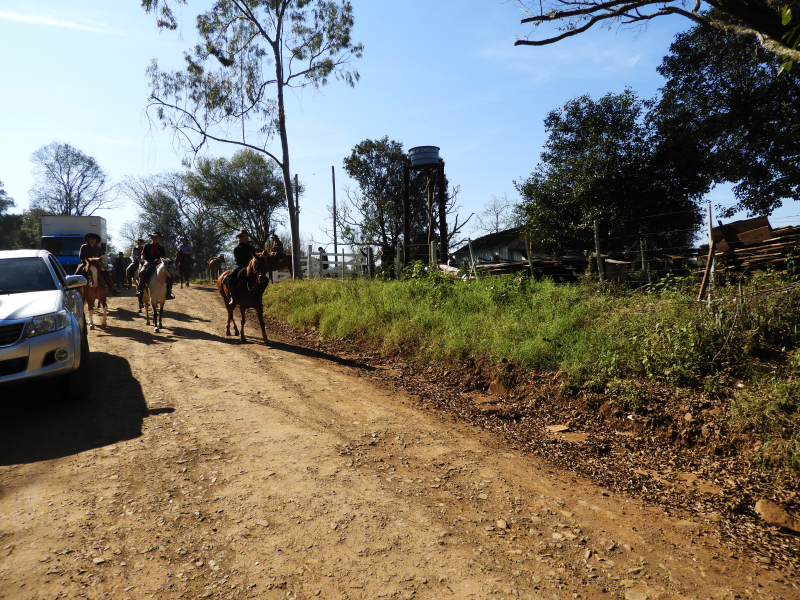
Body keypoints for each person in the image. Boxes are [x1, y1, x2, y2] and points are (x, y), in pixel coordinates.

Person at [136, 231, 174, 301]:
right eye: (154, 237)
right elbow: (143, 256)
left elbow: (164, 257)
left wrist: (160, 260)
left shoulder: (161, 247)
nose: (155, 238)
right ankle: (140, 290)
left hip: (159, 265)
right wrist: (145, 261)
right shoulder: (147, 246)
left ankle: (168, 293)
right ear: (152, 238)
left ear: (159, 238)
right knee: (142, 272)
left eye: (157, 237)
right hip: (148, 263)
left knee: (169, 275)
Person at [225, 229, 256, 306]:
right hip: (240, 266)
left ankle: (259, 296)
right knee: (231, 276)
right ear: (240, 238)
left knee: (264, 279)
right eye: (244, 238)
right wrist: (248, 263)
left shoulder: (252, 247)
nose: (246, 239)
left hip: (251, 266)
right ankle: (232, 297)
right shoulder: (237, 248)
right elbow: (238, 259)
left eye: (247, 237)